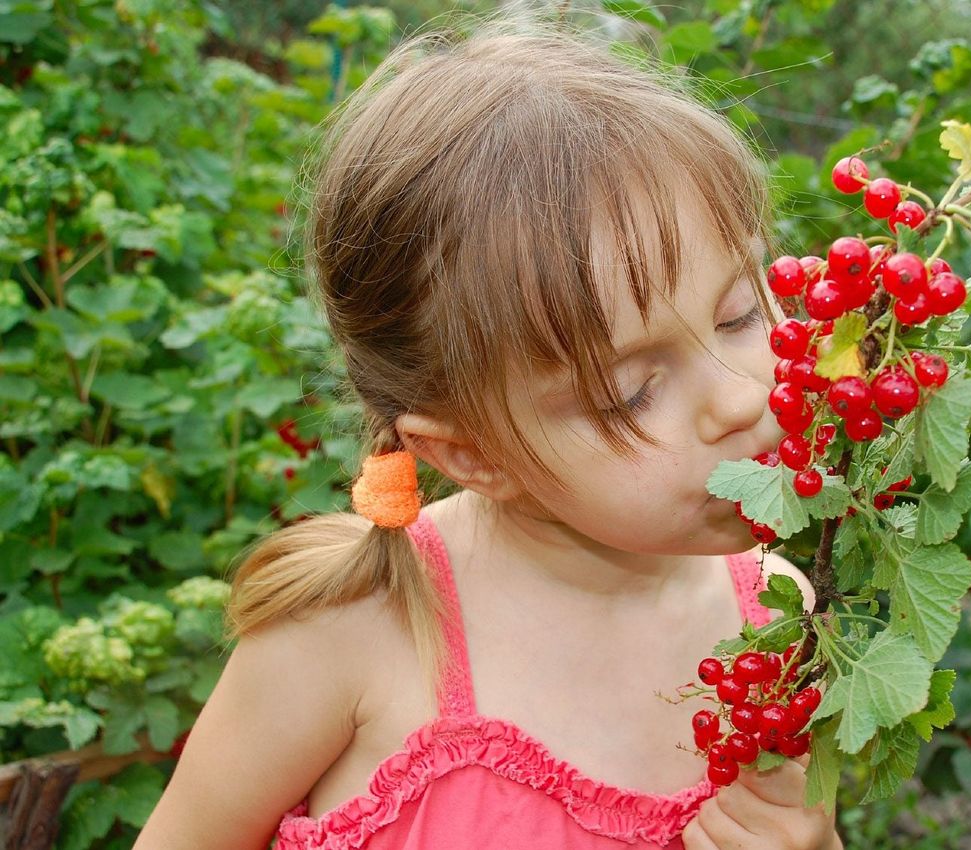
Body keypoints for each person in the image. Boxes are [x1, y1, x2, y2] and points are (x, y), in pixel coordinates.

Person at [133, 15, 840, 850]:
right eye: (628, 395)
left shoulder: (783, 612)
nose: (736, 399)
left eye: (738, 312)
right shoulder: (347, 634)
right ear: (472, 453)